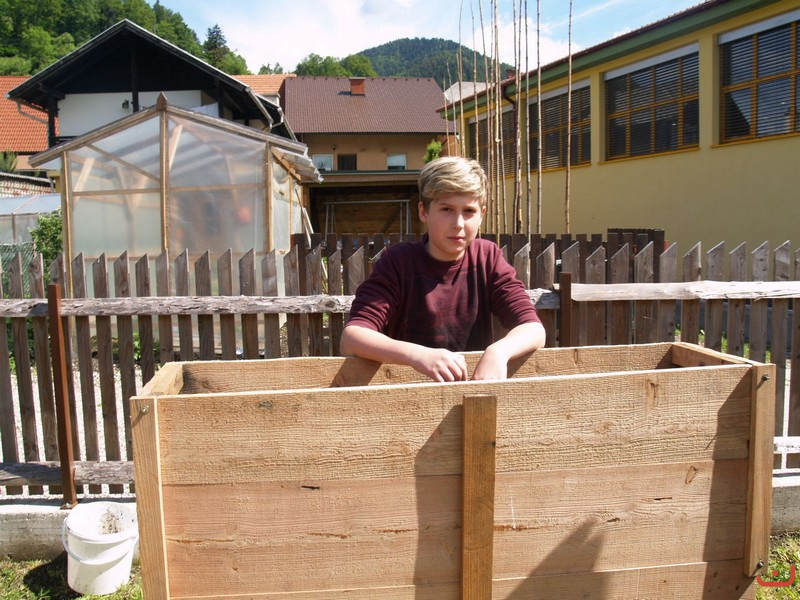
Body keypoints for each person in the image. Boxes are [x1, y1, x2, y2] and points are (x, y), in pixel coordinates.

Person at [339, 156, 546, 381]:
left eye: (469, 211)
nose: (458, 223)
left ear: (482, 215)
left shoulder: (488, 258)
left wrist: (499, 352)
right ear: (424, 211)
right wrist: (417, 355)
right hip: (405, 392)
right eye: (447, 209)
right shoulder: (398, 262)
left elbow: (533, 329)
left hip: (472, 391)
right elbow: (352, 338)